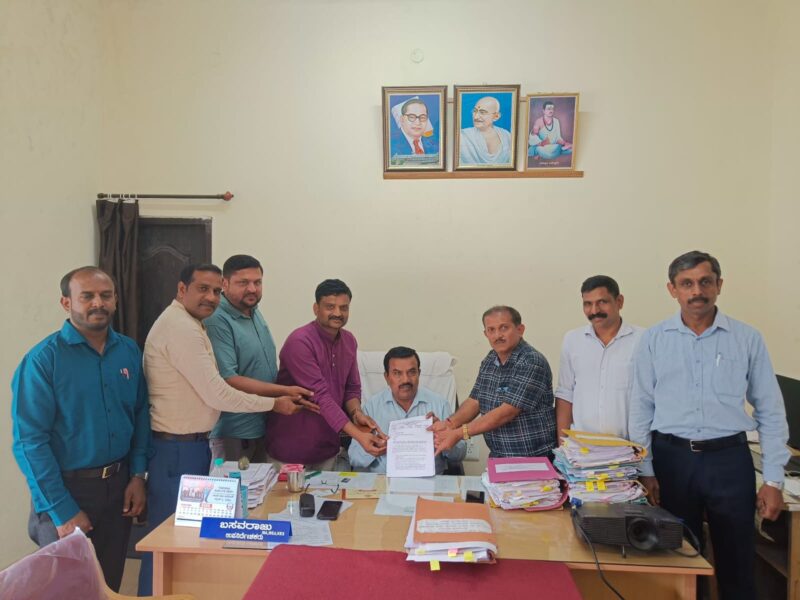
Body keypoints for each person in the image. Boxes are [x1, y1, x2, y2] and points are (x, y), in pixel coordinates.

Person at [138, 264, 316, 595]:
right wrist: (274, 403)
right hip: (175, 449)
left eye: (215, 291)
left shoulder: (194, 323)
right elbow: (218, 392)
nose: (211, 297)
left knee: (187, 540)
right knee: (166, 541)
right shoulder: (181, 328)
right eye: (202, 289)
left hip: (192, 445)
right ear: (181, 290)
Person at [629, 250, 789, 600]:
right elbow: (640, 406)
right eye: (687, 284)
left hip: (728, 461)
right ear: (672, 290)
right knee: (678, 558)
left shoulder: (746, 338)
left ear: (719, 284)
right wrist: (646, 469)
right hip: (672, 461)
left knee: (737, 560)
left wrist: (774, 479)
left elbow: (771, 410)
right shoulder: (654, 339)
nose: (696, 291)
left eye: (705, 282)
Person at [11, 266, 149, 591]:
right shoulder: (43, 360)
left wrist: (137, 475)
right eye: (87, 296)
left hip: (118, 489)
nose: (98, 303)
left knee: (108, 587)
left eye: (105, 295)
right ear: (66, 303)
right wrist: (62, 511)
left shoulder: (128, 351)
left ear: (115, 300)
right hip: (67, 490)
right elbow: (30, 443)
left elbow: (140, 413)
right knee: (66, 590)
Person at [265, 279, 387, 470]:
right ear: (316, 308)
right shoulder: (300, 342)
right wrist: (359, 436)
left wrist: (357, 414)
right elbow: (320, 397)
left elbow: (351, 388)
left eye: (344, 308)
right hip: (290, 450)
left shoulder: (349, 340)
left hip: (328, 448)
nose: (338, 313)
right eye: (330, 306)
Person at [205, 254, 313, 463]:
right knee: (238, 483)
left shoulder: (252, 310)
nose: (252, 289)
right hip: (235, 431)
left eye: (257, 282)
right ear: (224, 284)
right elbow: (229, 379)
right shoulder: (217, 319)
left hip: (264, 424)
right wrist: (283, 391)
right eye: (243, 283)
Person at [432, 306, 556, 458]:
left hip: (532, 458)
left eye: (504, 328)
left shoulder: (531, 361)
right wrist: (449, 424)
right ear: (486, 334)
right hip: (499, 455)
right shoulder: (490, 359)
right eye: (491, 330)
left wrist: (458, 433)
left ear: (520, 329)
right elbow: (475, 400)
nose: (497, 335)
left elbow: (507, 412)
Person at [348, 346, 466, 474]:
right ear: (387, 377)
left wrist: (443, 439)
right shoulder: (372, 407)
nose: (405, 380)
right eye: (397, 373)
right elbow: (354, 457)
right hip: (384, 482)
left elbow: (460, 454)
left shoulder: (439, 404)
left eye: (411, 372)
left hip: (430, 482)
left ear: (419, 373)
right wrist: (375, 446)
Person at [555, 275, 643, 441]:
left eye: (602, 302)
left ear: (619, 301)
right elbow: (565, 394)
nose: (594, 311)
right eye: (588, 304)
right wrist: (563, 445)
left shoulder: (643, 339)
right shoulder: (572, 340)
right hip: (582, 447)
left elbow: (650, 396)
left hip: (629, 446)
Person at [459, 96, 512, 165]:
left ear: (496, 116)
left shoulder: (506, 135)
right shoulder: (463, 136)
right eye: (475, 111)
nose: (476, 117)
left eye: (482, 112)